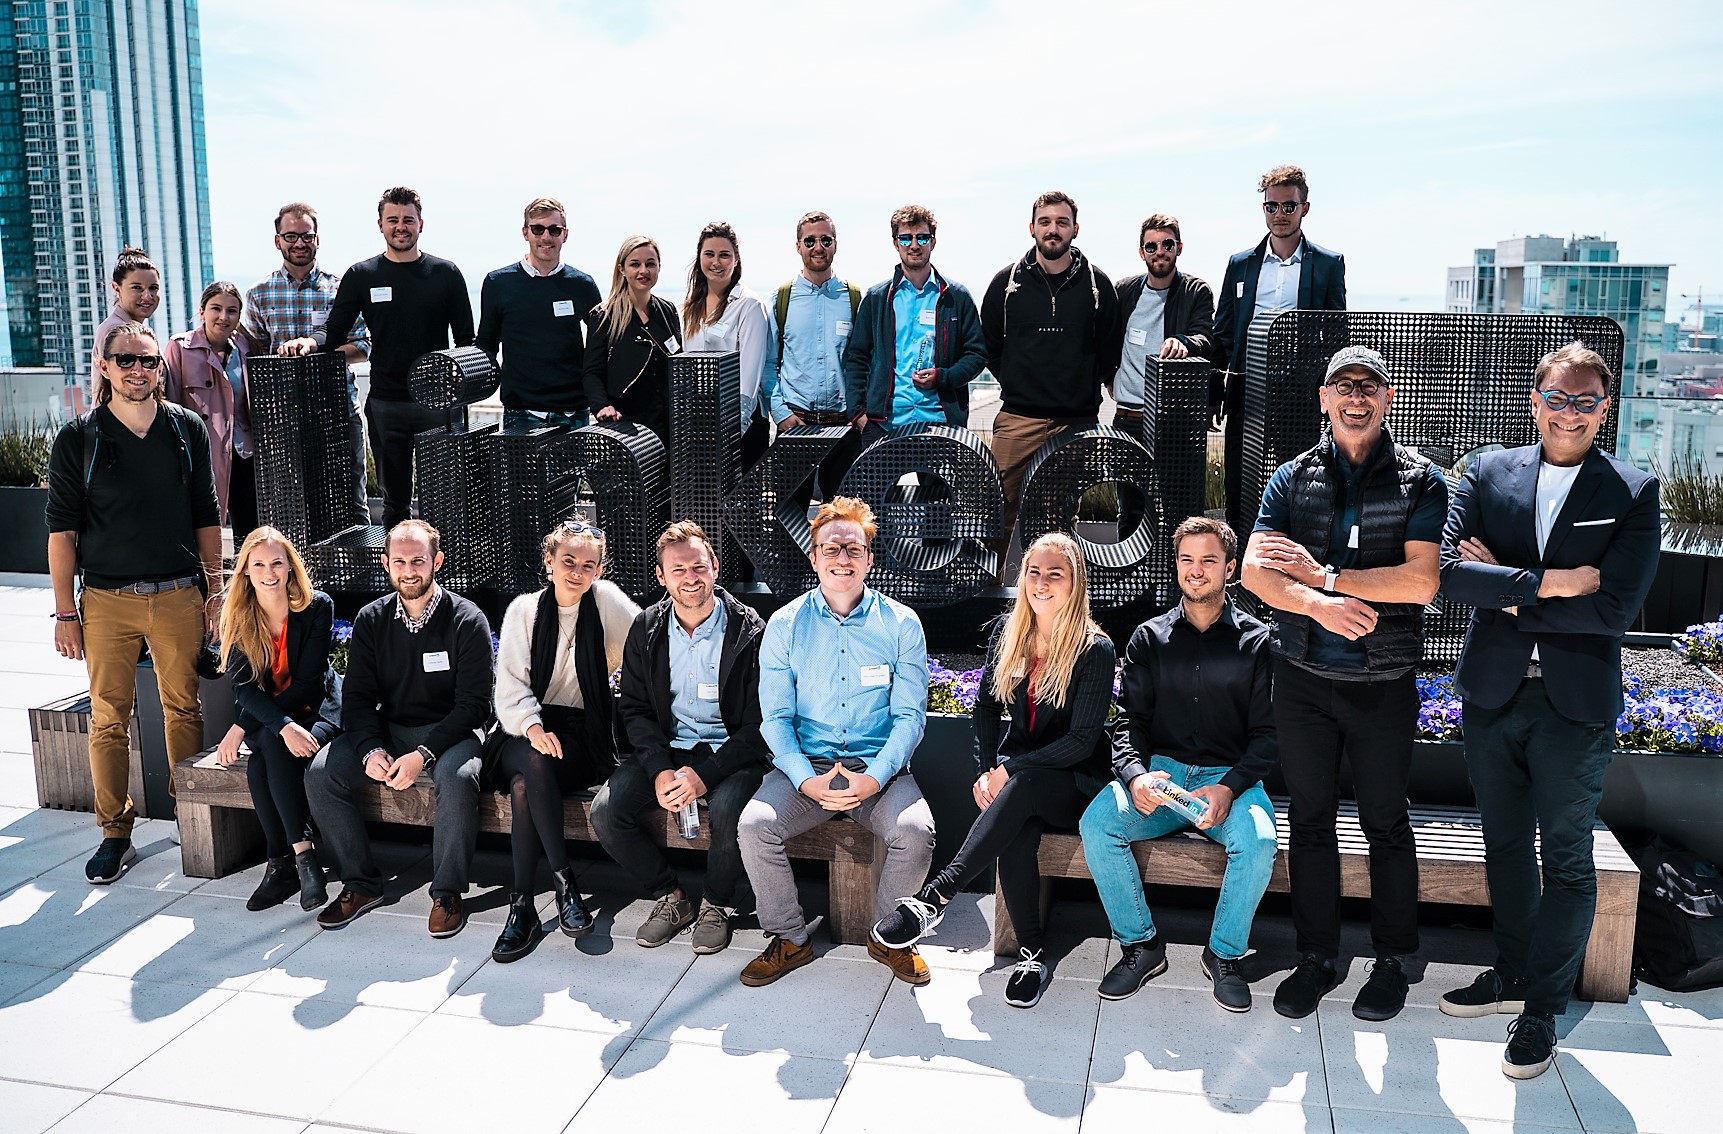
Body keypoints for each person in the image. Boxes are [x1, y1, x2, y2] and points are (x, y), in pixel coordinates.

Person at [1436, 343, 1660, 1079]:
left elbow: (1615, 609)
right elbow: (1445, 577)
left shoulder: (1630, 489)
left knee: (1565, 860)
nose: (1569, 411)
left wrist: (1506, 592)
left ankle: (1541, 1012)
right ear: (1533, 402)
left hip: (1574, 703)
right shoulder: (1488, 471)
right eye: (1556, 398)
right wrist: (1553, 584)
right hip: (1493, 695)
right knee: (1502, 845)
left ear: (1605, 408)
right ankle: (1508, 974)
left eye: (1584, 400)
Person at [1241, 345, 1447, 1023]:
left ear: (1387, 398)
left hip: (1381, 683)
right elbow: (1253, 572)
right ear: (1323, 399)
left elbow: (1418, 582)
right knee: (1310, 822)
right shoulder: (1290, 478)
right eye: (1342, 386)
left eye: (1368, 386)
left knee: (1386, 824)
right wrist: (1317, 605)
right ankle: (1316, 959)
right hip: (1302, 680)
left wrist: (1322, 575)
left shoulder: (1421, 480)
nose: (1355, 398)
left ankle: (1392, 960)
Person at [871, 532, 1114, 1009]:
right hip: (1022, 783)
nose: (1041, 582)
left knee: (1022, 786)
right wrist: (986, 770)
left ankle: (935, 896)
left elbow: (1082, 742)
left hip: (1076, 784)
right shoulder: (1012, 633)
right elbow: (983, 708)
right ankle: (1033, 953)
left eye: (1054, 574)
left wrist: (1008, 771)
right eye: (1033, 572)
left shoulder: (1094, 648)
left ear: (1074, 583)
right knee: (1016, 833)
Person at [1079, 517, 1279, 1012]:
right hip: (1163, 778)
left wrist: (1230, 788)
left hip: (1226, 780)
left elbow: (1269, 736)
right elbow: (1128, 724)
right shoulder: (1148, 639)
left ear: (1230, 569)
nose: (1197, 570)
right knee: (1098, 823)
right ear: (1176, 566)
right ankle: (1142, 946)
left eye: (1209, 560)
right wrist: (1136, 775)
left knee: (1257, 842)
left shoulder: (1258, 643)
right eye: (1187, 559)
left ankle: (1224, 955)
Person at [46, 322, 223, 883]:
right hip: (104, 601)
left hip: (177, 595)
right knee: (107, 719)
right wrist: (65, 613)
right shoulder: (80, 437)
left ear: (159, 369)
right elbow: (61, 534)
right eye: (125, 360)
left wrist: (215, 594)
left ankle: (191, 816)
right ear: (104, 366)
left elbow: (207, 514)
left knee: (184, 711)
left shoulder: (185, 429)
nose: (137, 370)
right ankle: (114, 833)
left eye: (147, 361)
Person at [737, 497, 936, 987]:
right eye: (831, 548)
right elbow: (776, 717)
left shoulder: (902, 624)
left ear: (871, 557)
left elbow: (910, 716)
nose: (842, 558)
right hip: (807, 766)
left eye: (854, 548)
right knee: (754, 825)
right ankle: (789, 938)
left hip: (878, 768)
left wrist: (874, 778)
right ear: (814, 557)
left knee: (915, 832)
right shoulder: (784, 626)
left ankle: (889, 935)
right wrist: (805, 779)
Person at [305, 520, 493, 936]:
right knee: (321, 774)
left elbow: (474, 706)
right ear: (386, 563)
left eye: (418, 560)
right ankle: (361, 883)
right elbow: (355, 699)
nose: (409, 570)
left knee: (456, 776)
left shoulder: (466, 619)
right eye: (400, 561)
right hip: (392, 729)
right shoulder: (372, 619)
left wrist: (422, 755)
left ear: (437, 562)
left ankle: (446, 892)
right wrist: (371, 749)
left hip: (454, 732)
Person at [594, 521, 770, 954]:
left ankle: (717, 904)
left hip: (731, 751)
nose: (690, 578)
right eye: (678, 570)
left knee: (728, 808)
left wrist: (704, 776)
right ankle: (671, 897)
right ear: (661, 576)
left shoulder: (749, 630)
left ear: (714, 566)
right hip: (666, 748)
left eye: (698, 566)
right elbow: (633, 708)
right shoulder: (646, 628)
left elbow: (758, 724)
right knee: (605, 813)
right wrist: (658, 768)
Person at [488, 520, 640, 962]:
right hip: (521, 729)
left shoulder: (606, 602)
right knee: (529, 764)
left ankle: (523, 908)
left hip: (581, 734)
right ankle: (563, 882)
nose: (577, 572)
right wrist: (534, 727)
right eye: (568, 561)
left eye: (588, 565)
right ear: (549, 561)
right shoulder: (524, 610)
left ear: (599, 569)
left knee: (524, 786)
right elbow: (510, 686)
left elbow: (647, 638)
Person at [317, 187, 475, 528]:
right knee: (395, 503)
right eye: (393, 220)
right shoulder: (363, 275)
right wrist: (307, 342)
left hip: (438, 404)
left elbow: (467, 342)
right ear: (380, 225)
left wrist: (458, 398)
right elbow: (333, 332)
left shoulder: (446, 273)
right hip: (387, 404)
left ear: (421, 224)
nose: (400, 227)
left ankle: (443, 577)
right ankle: (398, 578)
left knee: (445, 501)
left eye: (408, 220)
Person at [981, 191, 1122, 551]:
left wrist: (1079, 388)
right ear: (1032, 228)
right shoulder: (1006, 283)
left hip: (1075, 422)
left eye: (1062, 222)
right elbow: (990, 347)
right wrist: (1017, 382)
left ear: (1075, 229)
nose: (1053, 230)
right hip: (1018, 419)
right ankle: (987, 596)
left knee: (1058, 517)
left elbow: (1109, 349)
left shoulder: (1098, 285)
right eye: (1045, 222)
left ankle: (1056, 603)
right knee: (995, 511)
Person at [212, 528, 342, 912]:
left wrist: (243, 726)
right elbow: (245, 690)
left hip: (318, 712)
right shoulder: (238, 615)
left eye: (276, 563)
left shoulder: (317, 606)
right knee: (269, 749)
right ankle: (301, 860)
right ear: (246, 573)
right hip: (272, 720)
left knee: (264, 758)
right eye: (259, 565)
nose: (269, 572)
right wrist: (275, 725)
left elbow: (307, 685)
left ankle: (285, 864)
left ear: (290, 567)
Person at [1214, 165, 1347, 511]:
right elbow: (1224, 333)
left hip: (1298, 395)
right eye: (1272, 206)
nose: (1280, 214)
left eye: (1289, 206)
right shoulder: (1240, 264)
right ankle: (1240, 560)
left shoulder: (1329, 264)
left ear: (1305, 207)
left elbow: (1336, 336)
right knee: (1239, 483)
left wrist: (1320, 388)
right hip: (1247, 388)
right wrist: (1216, 393)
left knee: (1299, 482)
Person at [244, 202, 371, 527]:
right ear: (278, 241)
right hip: (283, 419)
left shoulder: (340, 287)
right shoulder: (259, 293)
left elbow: (363, 346)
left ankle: (357, 574)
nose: (299, 243)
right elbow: (255, 354)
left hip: (338, 411)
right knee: (287, 506)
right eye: (291, 236)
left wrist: (315, 355)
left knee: (352, 502)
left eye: (306, 236)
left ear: (317, 239)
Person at [844, 204, 987, 434]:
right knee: (874, 473)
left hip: (941, 421)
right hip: (885, 423)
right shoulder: (877, 298)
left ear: (933, 241)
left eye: (922, 238)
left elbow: (977, 354)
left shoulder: (956, 297)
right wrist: (858, 414)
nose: (914, 245)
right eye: (906, 238)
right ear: (895, 243)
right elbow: (857, 358)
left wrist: (943, 377)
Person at [476, 197, 602, 432]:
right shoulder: (498, 283)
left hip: (574, 412)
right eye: (538, 229)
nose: (546, 237)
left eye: (554, 230)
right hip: (521, 413)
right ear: (525, 232)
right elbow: (486, 345)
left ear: (565, 234)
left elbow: (601, 344)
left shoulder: (582, 284)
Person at [760, 211, 863, 500]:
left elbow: (864, 363)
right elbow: (768, 366)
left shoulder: (854, 298)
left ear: (835, 244)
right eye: (810, 241)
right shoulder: (780, 300)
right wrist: (781, 415)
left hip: (844, 428)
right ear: (798, 246)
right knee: (788, 523)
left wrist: (858, 413)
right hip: (796, 425)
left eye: (825, 240)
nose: (818, 247)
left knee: (844, 521)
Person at [1109, 213, 1216, 444]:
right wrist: (1109, 376)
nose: (1159, 251)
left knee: (1176, 482)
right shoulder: (1123, 291)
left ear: (1179, 248)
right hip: (1128, 418)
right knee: (1128, 482)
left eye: (1167, 244)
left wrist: (1183, 342)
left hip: (1176, 422)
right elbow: (1105, 338)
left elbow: (1205, 338)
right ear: (1141, 252)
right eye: (1151, 246)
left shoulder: (1196, 291)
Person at [164, 282, 258, 541]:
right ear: (202, 311)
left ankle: (245, 582)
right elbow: (169, 404)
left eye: (232, 311)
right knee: (203, 529)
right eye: (216, 308)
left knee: (249, 533)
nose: (223, 317)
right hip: (203, 453)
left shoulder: (246, 346)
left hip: (244, 452)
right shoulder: (179, 348)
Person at [678, 222, 771, 469]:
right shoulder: (690, 307)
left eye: (724, 255)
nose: (716, 262)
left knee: (742, 506)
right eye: (709, 254)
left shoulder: (749, 305)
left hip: (742, 424)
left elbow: (749, 377)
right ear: (699, 258)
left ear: (736, 259)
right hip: (701, 423)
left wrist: (732, 432)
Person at [582, 235, 682, 445]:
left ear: (659, 268)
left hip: (668, 427)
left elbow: (678, 366)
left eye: (650, 264)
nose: (643, 271)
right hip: (626, 429)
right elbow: (592, 372)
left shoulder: (667, 311)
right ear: (622, 269)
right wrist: (601, 407)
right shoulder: (603, 316)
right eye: (635, 264)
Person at [89, 247, 162, 413]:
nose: (147, 296)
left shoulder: (139, 330)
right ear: (116, 288)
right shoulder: (116, 330)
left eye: (153, 288)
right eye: (137, 288)